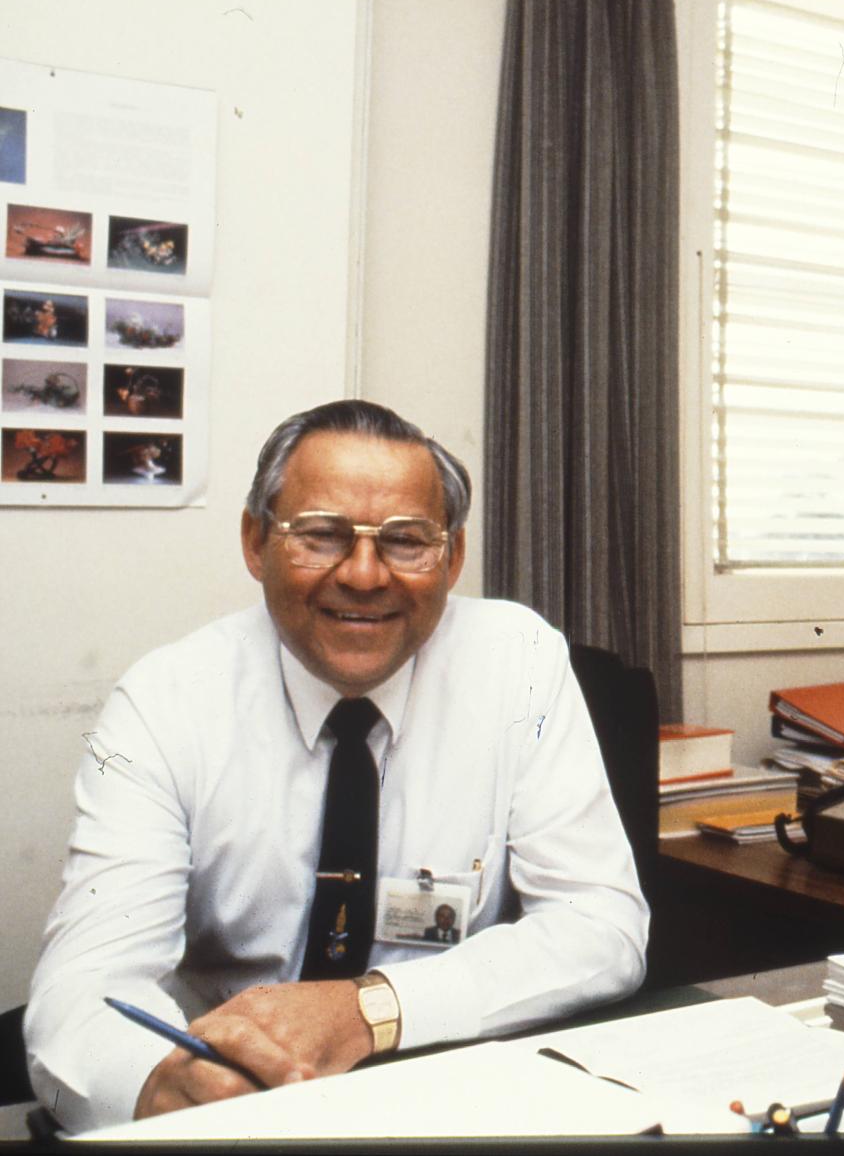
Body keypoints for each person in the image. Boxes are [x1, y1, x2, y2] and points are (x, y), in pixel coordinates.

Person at [25, 400, 650, 1133]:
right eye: (320, 536)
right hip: (232, 1110)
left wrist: (367, 1010)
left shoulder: (520, 663)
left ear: (450, 557)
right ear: (255, 543)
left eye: (406, 541)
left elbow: (600, 925)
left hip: (452, 1089)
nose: (362, 574)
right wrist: (161, 1087)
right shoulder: (165, 701)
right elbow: (84, 990)